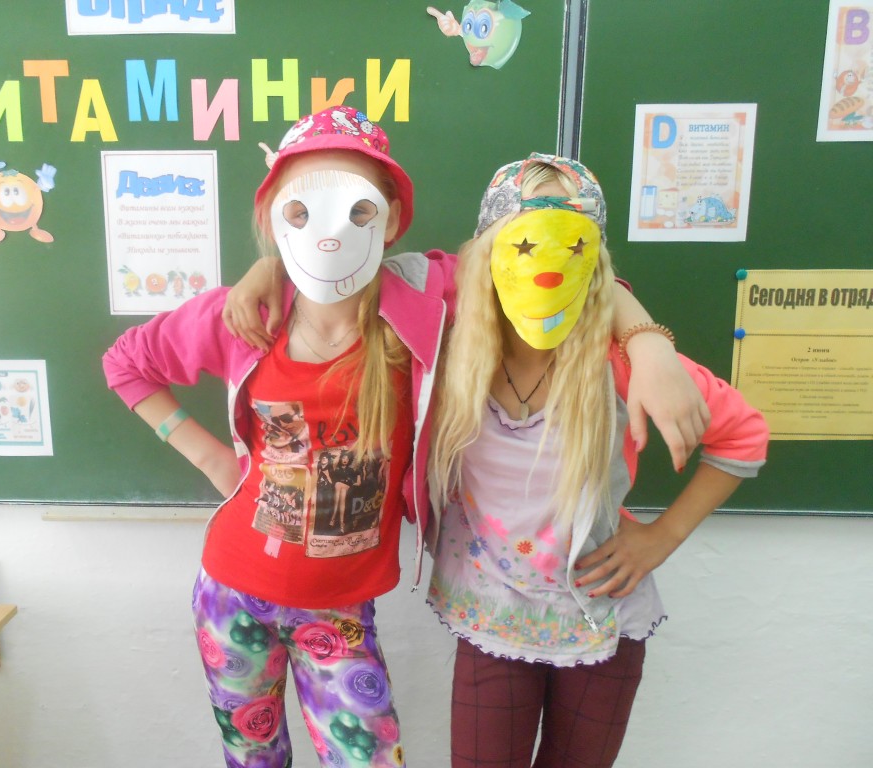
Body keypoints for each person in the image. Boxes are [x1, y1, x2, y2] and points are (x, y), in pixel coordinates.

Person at [105, 105, 706, 768]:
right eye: (300, 210)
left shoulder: (423, 300)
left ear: (389, 219)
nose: (330, 231)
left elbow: (555, 264)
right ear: (274, 216)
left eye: (357, 210)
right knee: (253, 757)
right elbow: (126, 364)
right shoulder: (246, 316)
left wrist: (648, 342)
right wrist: (212, 456)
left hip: (338, 609)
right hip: (231, 591)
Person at [425, 152, 770, 768]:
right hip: (491, 615)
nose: (546, 266)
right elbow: (355, 272)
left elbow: (743, 435)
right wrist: (266, 272)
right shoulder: (449, 346)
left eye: (572, 244)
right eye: (525, 243)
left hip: (598, 620)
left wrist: (661, 537)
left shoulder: (618, 365)